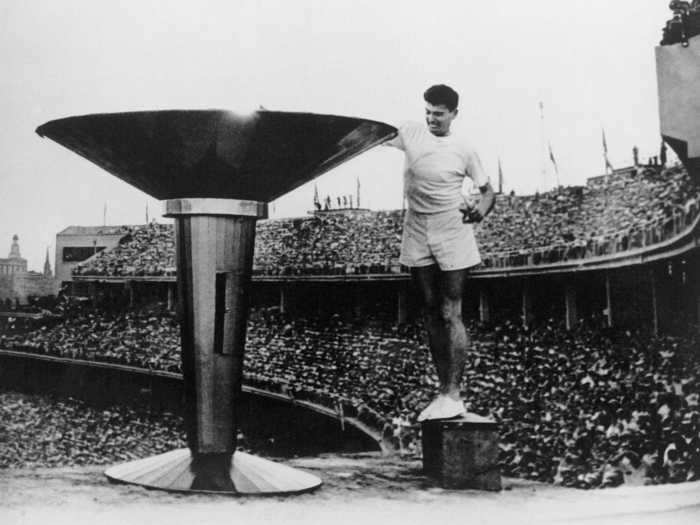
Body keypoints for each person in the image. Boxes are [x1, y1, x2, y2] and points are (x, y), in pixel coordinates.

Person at [384, 84, 495, 421]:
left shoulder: (464, 148)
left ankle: (455, 393)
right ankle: (442, 391)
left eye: (439, 113)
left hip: (451, 226)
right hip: (416, 225)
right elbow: (371, 138)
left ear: (453, 115)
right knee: (431, 310)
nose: (432, 118)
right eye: (428, 112)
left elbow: (488, 192)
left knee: (451, 311)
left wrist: (480, 210)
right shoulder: (410, 132)